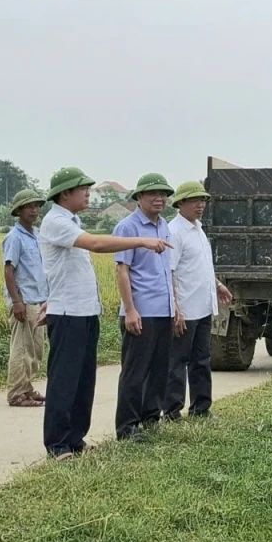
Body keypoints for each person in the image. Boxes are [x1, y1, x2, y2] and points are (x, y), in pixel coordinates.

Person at [39, 166, 171, 461]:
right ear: (64, 194)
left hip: (83, 311)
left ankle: (75, 439)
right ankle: (57, 444)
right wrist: (142, 241)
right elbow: (97, 244)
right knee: (65, 379)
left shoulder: (70, 221)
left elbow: (62, 271)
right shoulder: (56, 221)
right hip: (68, 313)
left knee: (84, 379)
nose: (88, 193)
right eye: (82, 189)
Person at [112, 173, 179, 441]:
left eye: (163, 194)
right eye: (153, 193)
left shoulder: (164, 225)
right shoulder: (127, 227)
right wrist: (130, 310)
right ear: (139, 197)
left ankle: (150, 417)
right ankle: (127, 426)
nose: (159, 198)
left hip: (163, 310)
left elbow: (167, 271)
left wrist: (175, 307)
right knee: (134, 371)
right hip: (141, 311)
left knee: (159, 369)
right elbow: (122, 271)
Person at [163, 180, 233, 421]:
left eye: (202, 200)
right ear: (180, 203)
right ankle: (172, 411)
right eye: (194, 200)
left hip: (203, 307)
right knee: (177, 361)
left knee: (202, 359)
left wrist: (218, 285)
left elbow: (201, 267)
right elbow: (169, 272)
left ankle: (201, 408)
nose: (200, 205)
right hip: (185, 309)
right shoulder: (174, 232)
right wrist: (176, 309)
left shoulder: (198, 229)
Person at [2, 188, 49, 408]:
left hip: (38, 300)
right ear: (19, 210)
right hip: (24, 300)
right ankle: (16, 394)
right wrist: (17, 301)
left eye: (37, 205)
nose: (34, 209)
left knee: (35, 348)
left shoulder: (38, 235)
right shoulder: (14, 237)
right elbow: (9, 270)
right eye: (29, 206)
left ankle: (27, 388)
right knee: (21, 348)